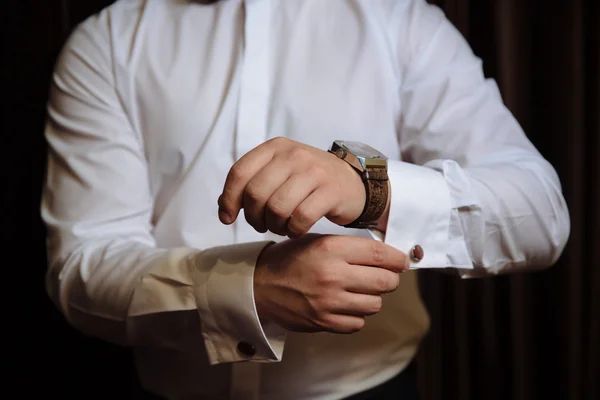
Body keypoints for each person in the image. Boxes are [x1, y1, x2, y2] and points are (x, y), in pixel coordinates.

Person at [41, 0, 570, 399]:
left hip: (370, 389)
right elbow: (81, 267)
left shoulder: (402, 21)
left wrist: (370, 192)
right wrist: (245, 289)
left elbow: (540, 215)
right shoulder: (107, 41)